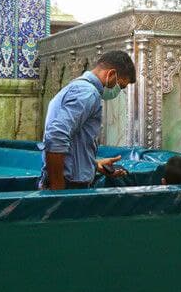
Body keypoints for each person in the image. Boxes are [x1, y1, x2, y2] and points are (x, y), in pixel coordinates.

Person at [41, 50, 135, 190]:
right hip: (68, 185)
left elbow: (73, 142)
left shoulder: (78, 87)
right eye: (120, 86)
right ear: (111, 74)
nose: (118, 91)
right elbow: (56, 136)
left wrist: (94, 164)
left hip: (68, 180)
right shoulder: (87, 93)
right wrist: (58, 188)